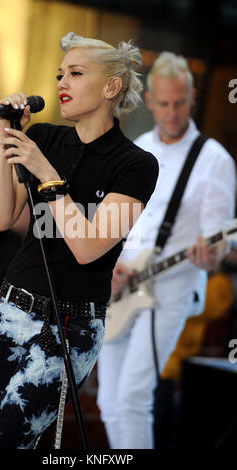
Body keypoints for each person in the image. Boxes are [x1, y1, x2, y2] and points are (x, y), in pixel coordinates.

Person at [0, 32, 159, 449]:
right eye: (59, 74)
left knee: (5, 442)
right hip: (10, 309)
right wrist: (6, 141)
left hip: (71, 325)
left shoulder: (136, 165)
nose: (61, 83)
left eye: (75, 73)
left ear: (111, 87)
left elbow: (88, 248)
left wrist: (48, 175)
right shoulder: (48, 138)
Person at [97, 51, 236, 449]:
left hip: (172, 288)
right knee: (108, 400)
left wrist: (211, 254)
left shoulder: (215, 160)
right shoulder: (139, 146)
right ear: (151, 100)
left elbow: (217, 241)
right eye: (163, 102)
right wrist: (112, 265)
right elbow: (116, 221)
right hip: (123, 282)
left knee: (133, 397)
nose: (172, 112)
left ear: (191, 99)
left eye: (179, 102)